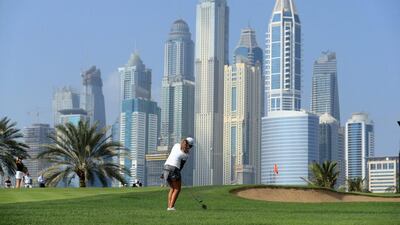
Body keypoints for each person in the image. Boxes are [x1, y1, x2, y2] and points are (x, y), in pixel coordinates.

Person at [162, 137, 194, 211]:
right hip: (174, 169)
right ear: (190, 146)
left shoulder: (176, 145)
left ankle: (169, 206)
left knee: (172, 188)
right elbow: (180, 166)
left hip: (165, 168)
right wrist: (178, 175)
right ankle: (171, 207)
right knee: (177, 189)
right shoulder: (186, 154)